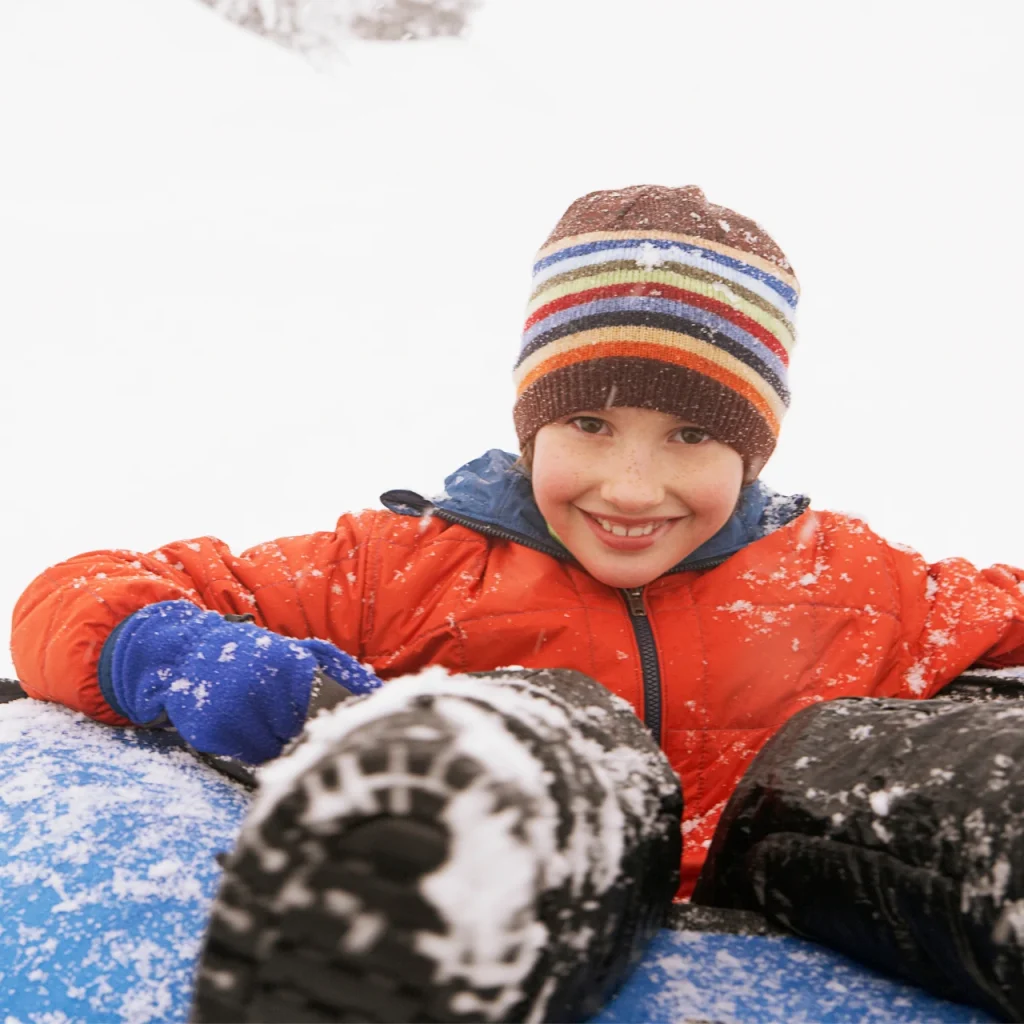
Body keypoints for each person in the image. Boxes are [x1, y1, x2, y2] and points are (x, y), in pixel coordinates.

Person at [11, 185, 1024, 1022]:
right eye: (590, 423)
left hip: (798, 879)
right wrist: (212, 665)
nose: (632, 487)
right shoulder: (405, 568)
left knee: (855, 756)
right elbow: (74, 596)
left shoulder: (855, 581)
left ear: (753, 450)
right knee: (528, 730)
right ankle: (402, 910)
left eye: (691, 436)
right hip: (545, 866)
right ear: (531, 422)